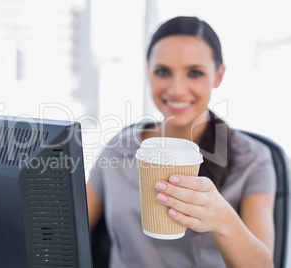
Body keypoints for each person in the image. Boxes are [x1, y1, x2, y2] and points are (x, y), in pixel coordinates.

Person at [86, 16, 276, 268]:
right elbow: (65, 230)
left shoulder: (253, 159)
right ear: (148, 73)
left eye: (195, 73)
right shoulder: (118, 148)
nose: (176, 89)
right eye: (163, 72)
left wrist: (222, 219)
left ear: (218, 76)